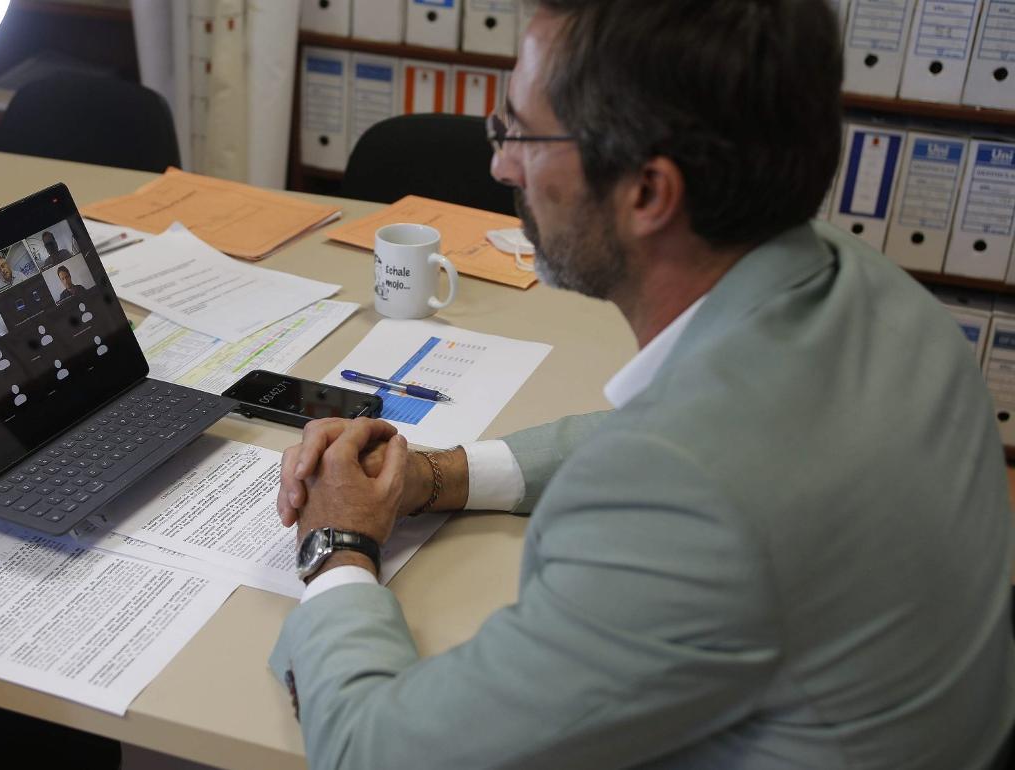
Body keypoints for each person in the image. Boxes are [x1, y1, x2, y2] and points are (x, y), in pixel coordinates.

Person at [269, 2, 1015, 768]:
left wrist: (338, 544)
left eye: (519, 132)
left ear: (649, 193)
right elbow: (699, 439)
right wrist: (440, 475)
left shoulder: (685, 498)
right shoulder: (867, 289)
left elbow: (374, 753)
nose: (500, 165)